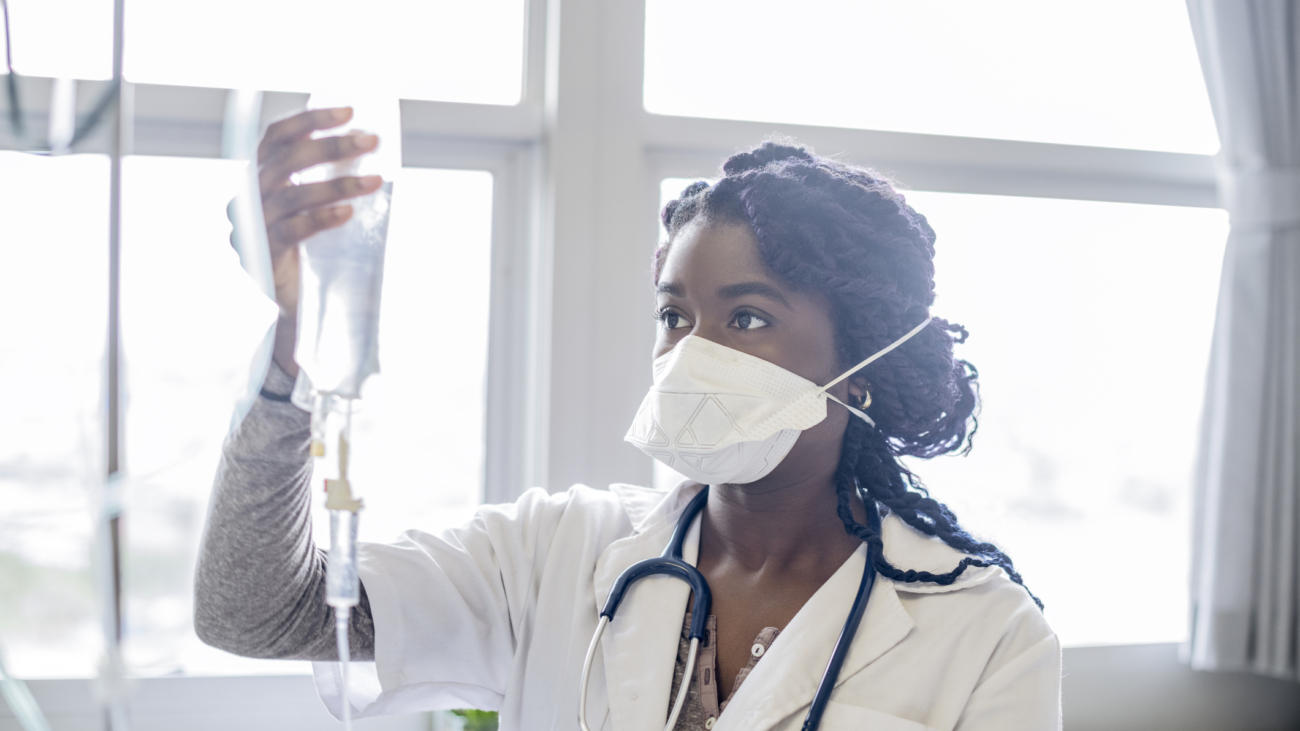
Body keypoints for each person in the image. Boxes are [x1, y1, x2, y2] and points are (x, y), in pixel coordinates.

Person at [195, 108, 1060, 731]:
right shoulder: (553, 552)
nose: (692, 351)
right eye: (674, 314)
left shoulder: (988, 632)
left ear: (861, 363)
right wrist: (295, 348)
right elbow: (255, 612)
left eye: (746, 317)